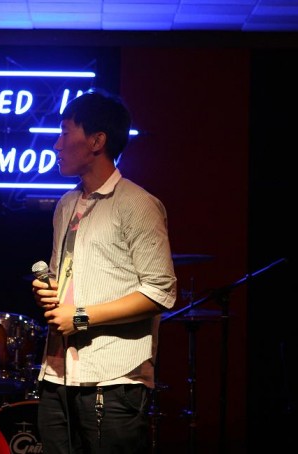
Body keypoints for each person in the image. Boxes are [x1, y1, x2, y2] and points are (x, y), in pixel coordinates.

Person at [31, 89, 177, 454]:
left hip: (112, 380)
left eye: (65, 132)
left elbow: (160, 291)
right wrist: (49, 288)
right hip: (57, 375)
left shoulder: (138, 204)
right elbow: (67, 276)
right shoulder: (66, 204)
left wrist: (79, 317)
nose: (56, 144)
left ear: (97, 141)